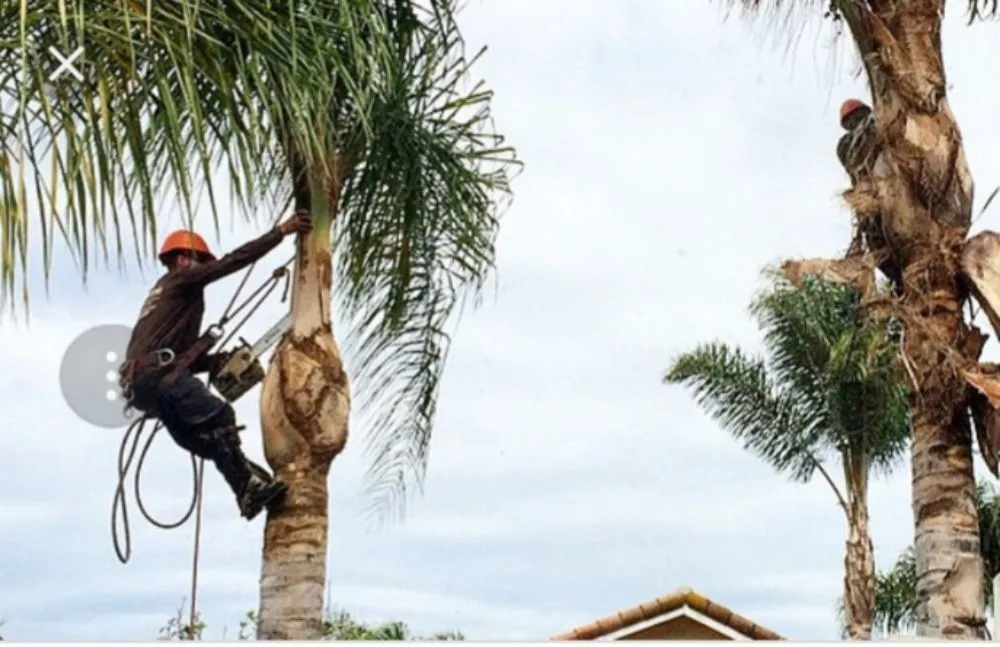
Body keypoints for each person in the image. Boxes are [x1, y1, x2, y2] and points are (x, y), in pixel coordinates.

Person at [118, 211, 313, 520]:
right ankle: (247, 488)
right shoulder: (180, 280)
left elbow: (179, 358)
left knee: (211, 442)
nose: (206, 269)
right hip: (160, 379)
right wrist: (281, 232)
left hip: (149, 386)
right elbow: (233, 261)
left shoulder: (164, 298)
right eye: (202, 262)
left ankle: (249, 484)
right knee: (221, 415)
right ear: (183, 259)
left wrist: (215, 362)